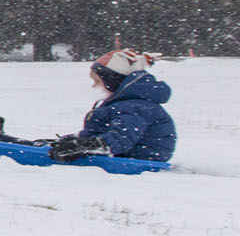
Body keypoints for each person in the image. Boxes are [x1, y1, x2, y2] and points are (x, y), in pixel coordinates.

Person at [41, 49, 177, 163]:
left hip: (140, 160)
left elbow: (121, 139)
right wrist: (69, 141)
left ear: (112, 82)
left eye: (97, 81)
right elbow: (99, 132)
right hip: (123, 154)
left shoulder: (135, 106)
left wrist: (83, 146)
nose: (94, 86)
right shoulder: (122, 104)